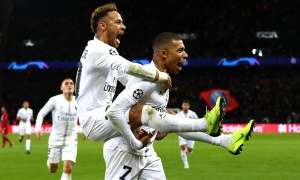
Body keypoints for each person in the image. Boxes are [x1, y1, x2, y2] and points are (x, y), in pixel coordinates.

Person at [104, 32, 255, 179]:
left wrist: (156, 129)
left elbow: (176, 126)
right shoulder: (146, 78)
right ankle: (210, 128)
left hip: (147, 154)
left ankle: (225, 141)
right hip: (123, 152)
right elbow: (116, 112)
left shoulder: (164, 81)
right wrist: (135, 140)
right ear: (164, 54)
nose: (186, 55)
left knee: (172, 118)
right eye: (180, 50)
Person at [75, 2, 173, 150]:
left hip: (104, 114)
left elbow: (131, 80)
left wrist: (157, 105)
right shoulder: (97, 50)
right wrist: (161, 76)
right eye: (118, 22)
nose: (123, 26)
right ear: (103, 26)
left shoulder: (105, 53)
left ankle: (154, 129)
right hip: (94, 118)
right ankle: (201, 127)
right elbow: (130, 67)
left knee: (161, 111)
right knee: (146, 110)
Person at [35, 78, 78, 180]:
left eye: (71, 83)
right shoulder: (54, 100)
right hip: (55, 138)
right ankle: (50, 162)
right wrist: (38, 128)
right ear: (61, 88)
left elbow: (85, 116)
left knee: (68, 168)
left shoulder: (78, 101)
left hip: (71, 139)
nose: (69, 85)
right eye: (66, 83)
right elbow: (42, 113)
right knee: (53, 169)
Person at [176, 100, 198, 169]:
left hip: (191, 134)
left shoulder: (192, 114)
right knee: (182, 147)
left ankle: (188, 150)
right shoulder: (179, 114)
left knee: (189, 150)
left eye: (187, 105)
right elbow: (174, 120)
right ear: (182, 106)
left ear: (189, 106)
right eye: (184, 105)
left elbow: (197, 121)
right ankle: (186, 164)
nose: (185, 107)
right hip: (182, 133)